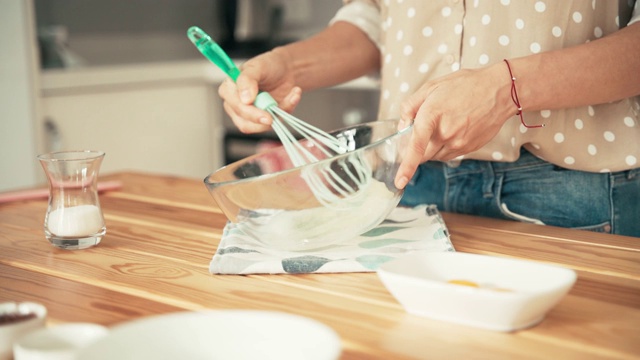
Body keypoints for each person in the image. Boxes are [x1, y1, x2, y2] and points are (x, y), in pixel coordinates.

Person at [217, 1, 640, 237]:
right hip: (407, 185)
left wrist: (507, 88)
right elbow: (374, 17)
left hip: (575, 194)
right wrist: (291, 65)